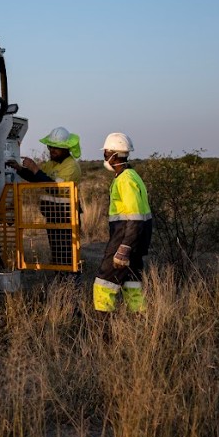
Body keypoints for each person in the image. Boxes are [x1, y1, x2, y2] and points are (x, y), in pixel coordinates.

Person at [93, 132, 152, 314]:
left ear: (113, 154)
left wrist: (124, 248)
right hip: (136, 241)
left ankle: (103, 333)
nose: (104, 157)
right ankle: (140, 322)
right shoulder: (132, 176)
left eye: (105, 153)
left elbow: (134, 218)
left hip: (124, 239)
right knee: (132, 284)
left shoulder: (125, 180)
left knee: (103, 286)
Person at [6, 126, 82, 267]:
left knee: (68, 255)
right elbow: (38, 178)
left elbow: (55, 188)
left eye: (56, 148)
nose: (51, 150)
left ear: (66, 149)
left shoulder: (71, 166)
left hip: (66, 216)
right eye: (50, 146)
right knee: (58, 254)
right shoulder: (51, 164)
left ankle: (71, 284)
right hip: (53, 216)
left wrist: (35, 168)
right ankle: (61, 281)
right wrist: (20, 169)